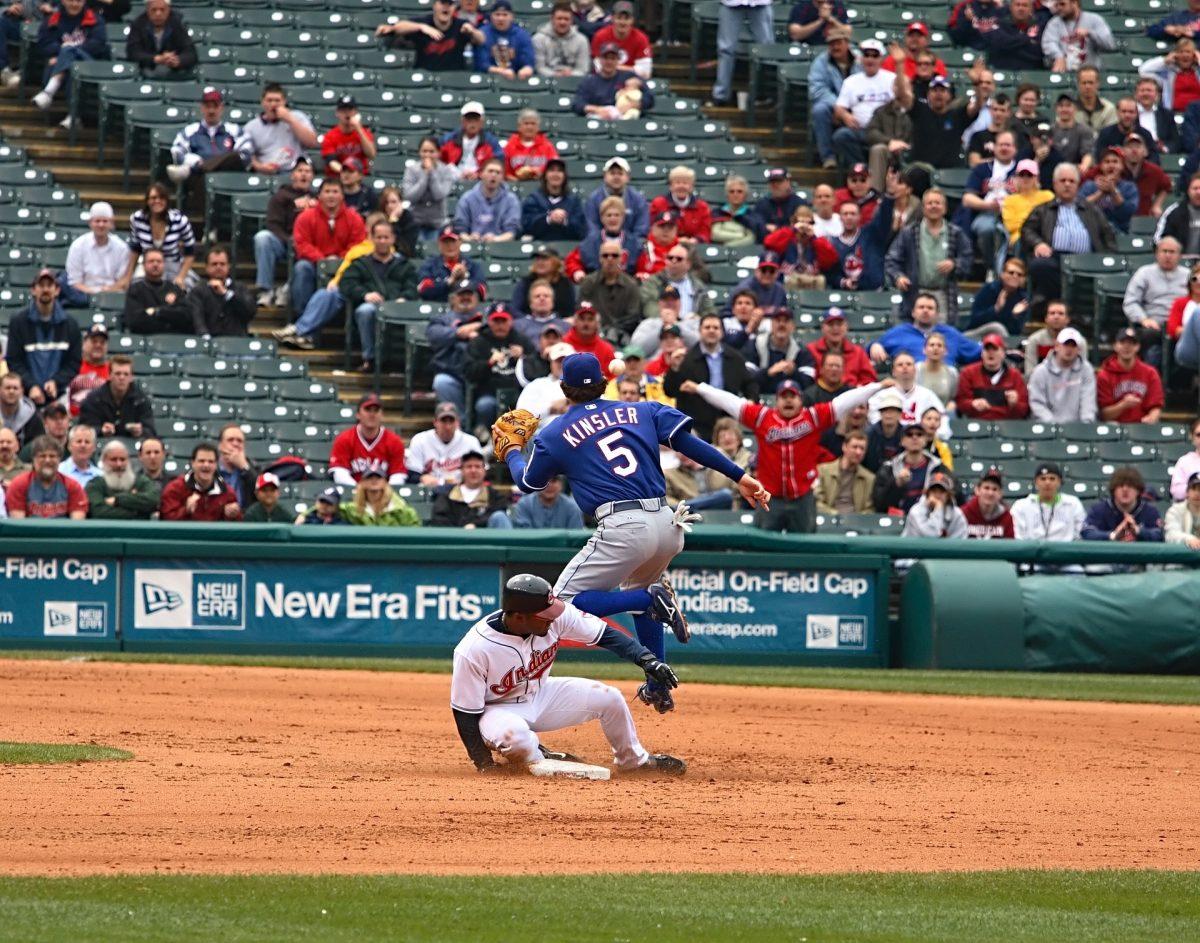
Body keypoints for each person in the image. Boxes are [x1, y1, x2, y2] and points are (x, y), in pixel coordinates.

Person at [499, 352, 771, 712]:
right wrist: (741, 477)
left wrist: (514, 451)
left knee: (560, 607)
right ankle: (657, 683)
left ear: (564, 389)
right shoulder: (643, 410)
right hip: (667, 522)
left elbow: (528, 483)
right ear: (604, 382)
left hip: (623, 526)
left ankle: (649, 598)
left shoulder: (555, 432)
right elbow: (690, 444)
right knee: (641, 594)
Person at [450, 573, 685, 774]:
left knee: (609, 697)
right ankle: (539, 759)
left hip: (539, 694)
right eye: (546, 617)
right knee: (517, 740)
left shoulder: (553, 616)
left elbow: (606, 635)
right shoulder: (474, 649)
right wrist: (484, 763)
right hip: (496, 711)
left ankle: (634, 762)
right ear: (519, 617)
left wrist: (648, 661)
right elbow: (464, 712)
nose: (553, 620)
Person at [684, 373, 890, 531]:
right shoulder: (763, 417)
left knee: (804, 547)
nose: (788, 401)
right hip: (769, 498)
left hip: (803, 497)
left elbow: (844, 402)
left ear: (800, 399)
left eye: (793, 397)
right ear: (777, 400)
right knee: (764, 547)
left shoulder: (813, 417)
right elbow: (731, 402)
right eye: (784, 397)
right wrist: (701, 389)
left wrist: (877, 386)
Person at [1021, 162, 1117, 315]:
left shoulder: (1091, 209)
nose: (1067, 184)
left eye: (1071, 181)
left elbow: (1108, 234)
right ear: (1054, 184)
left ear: (1078, 185)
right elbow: (1027, 230)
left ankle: (1050, 301)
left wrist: (1106, 257)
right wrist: (1038, 244)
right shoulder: (1043, 209)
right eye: (1063, 181)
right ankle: (1066, 308)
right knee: (1038, 266)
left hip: (1087, 260)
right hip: (1055, 258)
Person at [337, 217, 419, 372]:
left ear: (393, 239)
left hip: (397, 307)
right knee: (364, 311)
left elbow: (412, 286)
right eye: (379, 237)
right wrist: (364, 294)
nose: (382, 241)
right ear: (372, 238)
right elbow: (346, 283)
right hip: (372, 306)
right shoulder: (360, 263)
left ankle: (402, 364)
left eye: (386, 237)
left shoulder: (404, 265)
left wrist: (405, 297)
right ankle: (370, 359)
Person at [662, 314, 759, 442]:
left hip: (727, 422)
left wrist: (751, 399)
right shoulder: (686, 359)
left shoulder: (734, 357)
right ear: (700, 331)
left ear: (722, 332)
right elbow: (670, 391)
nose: (711, 330)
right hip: (695, 425)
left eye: (715, 327)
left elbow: (750, 383)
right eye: (707, 327)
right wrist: (674, 369)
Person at [885, 188, 973, 323]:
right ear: (923, 208)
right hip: (915, 293)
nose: (933, 206)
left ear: (944, 208)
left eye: (937, 203)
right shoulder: (909, 232)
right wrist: (898, 277)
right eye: (929, 203)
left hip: (944, 295)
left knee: (942, 338)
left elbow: (967, 258)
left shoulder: (956, 233)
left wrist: (955, 264)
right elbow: (892, 259)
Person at [290, 178, 367, 317]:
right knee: (301, 267)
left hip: (345, 265)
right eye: (327, 191)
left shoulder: (354, 218)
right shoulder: (305, 217)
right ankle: (302, 316)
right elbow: (302, 244)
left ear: (342, 195)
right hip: (314, 264)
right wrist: (323, 260)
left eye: (335, 191)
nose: (331, 195)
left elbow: (358, 244)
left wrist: (339, 259)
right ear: (319, 196)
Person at [5, 269, 81, 408]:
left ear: (57, 290)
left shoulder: (71, 324)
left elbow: (74, 363)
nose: (45, 289)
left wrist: (56, 382)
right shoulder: (18, 322)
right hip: (26, 397)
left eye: (49, 285)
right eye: (41, 285)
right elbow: (14, 361)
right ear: (33, 290)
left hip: (60, 396)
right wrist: (31, 385)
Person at [891, 55, 982, 170]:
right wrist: (899, 65)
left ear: (949, 95)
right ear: (928, 95)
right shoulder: (919, 110)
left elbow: (978, 105)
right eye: (934, 90)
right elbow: (902, 95)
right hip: (920, 170)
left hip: (950, 171)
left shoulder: (958, 115)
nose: (938, 93)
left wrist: (977, 84)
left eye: (943, 90)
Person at [32, 0, 111, 125]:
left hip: (89, 63)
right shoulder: (51, 19)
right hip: (64, 67)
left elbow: (98, 45)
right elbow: (43, 45)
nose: (75, 4)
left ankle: (49, 92)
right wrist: (64, 53)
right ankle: (74, 116)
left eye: (79, 1)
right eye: (71, 0)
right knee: (71, 72)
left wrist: (67, 52)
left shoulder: (96, 19)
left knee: (68, 52)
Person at [253, 158, 316, 307]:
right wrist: (288, 240)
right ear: (292, 175)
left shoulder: (318, 198)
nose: (304, 175)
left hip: (309, 246)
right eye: (300, 171)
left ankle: (287, 289)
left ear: (312, 176)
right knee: (262, 237)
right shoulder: (281, 196)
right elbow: (273, 224)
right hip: (284, 242)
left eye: (307, 171)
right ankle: (266, 290)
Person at [466, 303, 533, 431]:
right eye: (496, 321)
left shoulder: (521, 340)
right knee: (484, 406)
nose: (500, 325)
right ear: (489, 322)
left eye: (504, 320)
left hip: (519, 393)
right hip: (489, 392)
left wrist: (523, 358)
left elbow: (536, 371)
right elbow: (469, 372)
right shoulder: (479, 342)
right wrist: (489, 363)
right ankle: (489, 437)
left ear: (511, 321)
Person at [1125, 237, 1189, 367]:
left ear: (1180, 255)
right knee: (1149, 339)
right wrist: (1144, 319)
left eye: (1172, 252)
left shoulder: (1188, 275)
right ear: (1156, 254)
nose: (1167, 255)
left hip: (1181, 327)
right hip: (1154, 325)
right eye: (1164, 251)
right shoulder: (1144, 273)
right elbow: (1130, 302)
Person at [870, 293, 982, 367]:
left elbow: (979, 352)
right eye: (921, 307)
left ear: (937, 314)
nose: (925, 311)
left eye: (930, 308)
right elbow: (869, 349)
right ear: (913, 312)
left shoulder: (951, 334)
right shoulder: (899, 333)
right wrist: (874, 345)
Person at [961, 130, 1019, 272]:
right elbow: (967, 198)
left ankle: (1015, 272)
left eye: (1008, 145)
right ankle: (991, 268)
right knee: (987, 229)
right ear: (994, 147)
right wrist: (987, 205)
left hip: (1015, 216)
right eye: (1001, 145)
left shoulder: (1022, 170)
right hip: (986, 214)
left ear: (1015, 149)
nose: (1004, 148)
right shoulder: (982, 168)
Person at [832, 39, 894, 169]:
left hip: (885, 131)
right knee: (841, 136)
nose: (870, 59)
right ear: (861, 58)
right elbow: (839, 107)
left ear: (881, 59)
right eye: (867, 55)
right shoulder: (851, 81)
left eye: (875, 55)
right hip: (861, 130)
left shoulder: (891, 79)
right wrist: (845, 115)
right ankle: (862, 171)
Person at [376, 0, 485, 71]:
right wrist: (421, 27)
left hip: (454, 79)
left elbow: (481, 40)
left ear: (454, 8)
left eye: (450, 4)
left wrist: (472, 31)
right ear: (434, 6)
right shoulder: (424, 22)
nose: (446, 7)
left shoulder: (460, 24)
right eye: (442, 3)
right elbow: (397, 28)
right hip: (425, 76)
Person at [234, 83, 318, 175]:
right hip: (266, 173)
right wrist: (260, 167)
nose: (273, 104)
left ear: (284, 102)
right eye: (269, 100)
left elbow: (312, 143)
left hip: (294, 172)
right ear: (262, 102)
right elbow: (245, 154)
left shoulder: (297, 117)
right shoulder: (251, 127)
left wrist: (290, 120)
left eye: (277, 100)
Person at [125, 182, 196, 288]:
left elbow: (190, 252)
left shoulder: (180, 220)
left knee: (187, 286)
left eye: (161, 198)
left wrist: (181, 276)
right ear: (147, 200)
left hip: (173, 265)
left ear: (167, 201)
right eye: (153, 198)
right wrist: (128, 276)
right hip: (147, 265)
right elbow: (135, 250)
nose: (157, 201)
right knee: (135, 286)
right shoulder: (137, 219)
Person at [329, 393, 407, 488]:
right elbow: (339, 473)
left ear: (382, 415)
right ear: (358, 414)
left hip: (384, 497)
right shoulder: (344, 439)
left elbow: (398, 475)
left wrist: (383, 494)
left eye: (376, 410)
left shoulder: (394, 441)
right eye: (367, 410)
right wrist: (360, 492)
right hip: (353, 495)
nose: (372, 414)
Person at [167, 89, 243, 185]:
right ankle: (205, 168)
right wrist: (196, 162)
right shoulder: (189, 131)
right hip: (200, 179)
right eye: (207, 107)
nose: (211, 111)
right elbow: (177, 153)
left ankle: (206, 167)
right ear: (202, 108)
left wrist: (205, 165)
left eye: (215, 106)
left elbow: (245, 155)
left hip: (228, 179)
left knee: (234, 156)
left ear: (221, 108)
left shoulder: (234, 130)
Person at [708, 0, 773, 106]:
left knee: (766, 50)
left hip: (760, 3)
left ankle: (765, 93)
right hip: (731, 3)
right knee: (726, 50)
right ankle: (720, 95)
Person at [5, 435, 87, 519]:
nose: (47, 460)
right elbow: (18, 526)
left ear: (59, 459)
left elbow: (77, 525)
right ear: (33, 459)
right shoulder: (19, 485)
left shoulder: (72, 486)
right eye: (42, 456)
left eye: (52, 456)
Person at [871, 420, 945, 513]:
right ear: (902, 441)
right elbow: (879, 504)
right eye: (909, 434)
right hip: (897, 520)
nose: (914, 437)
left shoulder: (938, 466)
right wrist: (896, 484)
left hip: (928, 517)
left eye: (919, 434)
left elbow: (955, 496)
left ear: (925, 440)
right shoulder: (889, 467)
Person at [405, 402, 484, 487]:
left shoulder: (471, 442)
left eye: (451, 421)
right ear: (435, 422)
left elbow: (481, 472)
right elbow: (412, 474)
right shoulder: (420, 440)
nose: (448, 426)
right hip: (429, 490)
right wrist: (422, 477)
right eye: (443, 421)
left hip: (461, 490)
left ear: (457, 422)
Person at [158, 442, 242, 521]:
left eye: (211, 462)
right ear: (193, 463)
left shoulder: (227, 492)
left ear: (216, 465)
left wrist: (232, 515)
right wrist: (185, 510)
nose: (206, 465)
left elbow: (237, 525)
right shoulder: (175, 488)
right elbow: (166, 522)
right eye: (201, 461)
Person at [577, 239, 642, 340]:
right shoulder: (588, 282)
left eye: (615, 255)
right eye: (605, 255)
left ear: (622, 258)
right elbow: (581, 309)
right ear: (600, 259)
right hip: (592, 333)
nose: (610, 259)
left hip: (622, 335)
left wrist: (613, 329)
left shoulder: (631, 285)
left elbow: (632, 316)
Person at [827, 193, 894, 291]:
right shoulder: (832, 243)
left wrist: (889, 196)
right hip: (844, 295)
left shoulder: (871, 235)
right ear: (840, 217)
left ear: (859, 216)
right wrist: (843, 282)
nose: (849, 217)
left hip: (873, 294)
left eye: (853, 213)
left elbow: (884, 218)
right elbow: (830, 275)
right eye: (845, 214)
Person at [1097, 327, 1164, 424]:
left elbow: (1156, 406)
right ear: (1115, 346)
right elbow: (1104, 415)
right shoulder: (1104, 375)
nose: (1126, 347)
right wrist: (1123, 405)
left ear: (1138, 347)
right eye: (1122, 343)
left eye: (1131, 343)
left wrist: (1152, 417)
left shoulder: (1150, 373)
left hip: (1142, 426)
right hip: (1114, 428)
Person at [1027, 327, 1095, 422]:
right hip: (1047, 427)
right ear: (1057, 346)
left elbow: (1088, 401)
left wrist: (1085, 424)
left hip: (1078, 428)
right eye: (1066, 344)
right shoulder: (1040, 371)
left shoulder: (1086, 370)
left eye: (1073, 346)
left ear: (1079, 349)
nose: (1069, 349)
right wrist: (1055, 426)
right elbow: (1037, 404)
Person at [955, 333, 1030, 420]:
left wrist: (1015, 404)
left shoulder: (1015, 376)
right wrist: (972, 404)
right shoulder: (968, 373)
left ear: (1003, 353)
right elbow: (961, 403)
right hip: (977, 423)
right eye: (987, 349)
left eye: (995, 349)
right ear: (982, 353)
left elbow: (1024, 410)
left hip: (1007, 425)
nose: (990, 353)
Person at [77, 354, 153, 439]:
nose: (121, 377)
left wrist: (140, 432)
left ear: (131, 377)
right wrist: (100, 430)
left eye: (126, 374)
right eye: (117, 373)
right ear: (109, 375)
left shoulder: (141, 400)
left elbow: (151, 431)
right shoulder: (93, 399)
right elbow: (84, 430)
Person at [430, 450, 512, 529]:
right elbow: (439, 519)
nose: (473, 470)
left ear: (484, 471)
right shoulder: (447, 495)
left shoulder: (495, 496)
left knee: (500, 516)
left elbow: (499, 513)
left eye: (477, 466)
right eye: (469, 467)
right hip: (454, 540)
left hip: (487, 540)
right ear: (462, 471)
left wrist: (475, 525)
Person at [1081, 466, 1164, 543]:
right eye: (1120, 486)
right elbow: (1087, 533)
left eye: (1130, 486)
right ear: (1113, 490)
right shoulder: (1098, 510)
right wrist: (1113, 535)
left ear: (1138, 490)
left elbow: (1159, 535)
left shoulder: (1150, 511)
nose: (1125, 489)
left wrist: (1138, 531)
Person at [572, 41, 653, 119]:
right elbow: (577, 104)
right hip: (599, 121)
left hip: (625, 122)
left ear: (618, 60)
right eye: (606, 58)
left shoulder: (629, 76)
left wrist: (633, 105)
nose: (609, 62)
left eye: (613, 58)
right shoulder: (589, 81)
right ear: (599, 59)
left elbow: (650, 98)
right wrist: (597, 110)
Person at [65, 203, 131, 298]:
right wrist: (95, 294)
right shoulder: (77, 246)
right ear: (90, 223)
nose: (101, 225)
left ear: (111, 223)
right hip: (84, 295)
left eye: (105, 221)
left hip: (113, 295)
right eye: (97, 221)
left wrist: (107, 292)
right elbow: (74, 282)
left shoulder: (122, 248)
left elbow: (123, 281)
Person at [187, 245, 255, 337]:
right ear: (206, 267)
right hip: (208, 341)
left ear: (228, 266)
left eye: (222, 264)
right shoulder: (197, 291)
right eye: (214, 264)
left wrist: (226, 294)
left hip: (236, 342)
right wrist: (205, 337)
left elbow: (249, 312)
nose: (218, 267)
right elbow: (197, 318)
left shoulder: (240, 288)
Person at [745, 307, 814, 397]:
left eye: (786, 321)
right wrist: (768, 372)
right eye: (778, 320)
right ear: (771, 324)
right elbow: (746, 379)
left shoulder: (801, 350)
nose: (781, 324)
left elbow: (809, 384)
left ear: (793, 326)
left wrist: (793, 372)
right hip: (758, 399)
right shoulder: (754, 345)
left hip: (790, 400)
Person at [121, 247, 193, 333]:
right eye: (151, 261)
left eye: (159, 261)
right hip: (145, 337)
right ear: (143, 265)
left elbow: (186, 316)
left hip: (172, 337)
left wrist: (156, 311)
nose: (155, 264)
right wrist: (169, 314)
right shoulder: (135, 289)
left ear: (164, 264)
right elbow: (134, 321)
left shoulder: (174, 289)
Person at [84, 439, 160, 520]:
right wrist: (139, 513)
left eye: (122, 459)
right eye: (114, 459)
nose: (119, 464)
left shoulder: (141, 481)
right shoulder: (95, 484)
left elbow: (153, 500)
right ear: (104, 461)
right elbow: (98, 512)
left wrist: (118, 500)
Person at [1011, 461, 1085, 540]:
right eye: (1043, 479)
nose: (1047, 482)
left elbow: (1080, 532)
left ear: (1059, 482)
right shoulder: (1021, 506)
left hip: (1064, 550)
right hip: (1032, 550)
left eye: (1052, 479)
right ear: (1036, 482)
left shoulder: (1073, 504)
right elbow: (1017, 535)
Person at [453, 157, 521, 242]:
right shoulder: (467, 198)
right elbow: (460, 229)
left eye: (498, 172)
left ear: (502, 177)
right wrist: (470, 238)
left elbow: (512, 231)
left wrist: (496, 239)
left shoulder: (511, 200)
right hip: (473, 244)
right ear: (481, 174)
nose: (494, 175)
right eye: (490, 171)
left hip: (501, 244)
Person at [519, 159, 587, 243]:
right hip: (540, 248)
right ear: (545, 175)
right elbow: (526, 226)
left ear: (564, 176)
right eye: (551, 170)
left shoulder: (574, 200)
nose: (555, 174)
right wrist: (549, 218)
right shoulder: (534, 199)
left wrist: (565, 220)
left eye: (559, 171)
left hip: (568, 247)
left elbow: (581, 229)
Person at [403, 137, 458, 241]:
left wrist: (432, 173)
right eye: (424, 151)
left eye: (431, 151)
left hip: (438, 223)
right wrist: (424, 176)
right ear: (419, 152)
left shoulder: (446, 171)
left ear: (438, 152)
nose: (427, 155)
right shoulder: (411, 170)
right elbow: (409, 196)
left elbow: (439, 194)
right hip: (416, 222)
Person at [125, 0, 195, 78]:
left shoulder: (177, 24)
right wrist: (156, 59)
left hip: (174, 72)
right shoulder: (138, 24)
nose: (158, 13)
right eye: (154, 10)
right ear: (147, 10)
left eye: (162, 10)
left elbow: (191, 53)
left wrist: (178, 61)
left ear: (168, 10)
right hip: (146, 70)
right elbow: (133, 53)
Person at [1041, 0, 1115, 72]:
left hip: (1090, 71)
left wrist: (1089, 33)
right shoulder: (1054, 23)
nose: (1059, 8)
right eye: (1057, 5)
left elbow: (1109, 44)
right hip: (1065, 71)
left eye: (1062, 4)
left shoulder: (1094, 19)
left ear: (1074, 2)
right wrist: (1058, 56)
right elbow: (1048, 43)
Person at [966, 258, 1031, 338]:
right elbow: (975, 321)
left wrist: (1014, 315)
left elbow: (1015, 332)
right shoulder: (989, 289)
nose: (1015, 276)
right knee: (997, 328)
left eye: (1019, 274)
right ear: (1002, 275)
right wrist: (996, 308)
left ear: (1023, 279)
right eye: (1011, 273)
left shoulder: (1023, 299)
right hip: (976, 333)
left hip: (1003, 338)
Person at [813, 429, 874, 515]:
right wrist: (836, 515)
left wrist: (856, 519)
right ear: (844, 447)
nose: (858, 452)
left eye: (862, 448)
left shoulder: (869, 478)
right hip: (829, 519)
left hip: (856, 523)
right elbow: (816, 502)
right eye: (854, 447)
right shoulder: (823, 471)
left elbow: (870, 509)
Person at [1079, 146, 1138, 234]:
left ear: (1122, 166)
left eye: (1115, 161)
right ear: (1101, 166)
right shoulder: (1089, 185)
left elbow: (1128, 212)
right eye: (1107, 162)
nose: (1111, 165)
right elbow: (1079, 207)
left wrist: (1112, 190)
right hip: (1092, 230)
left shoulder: (1129, 187)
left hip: (1121, 231)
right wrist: (1100, 193)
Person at [417, 228, 486, 302]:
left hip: (466, 310)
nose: (449, 245)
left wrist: (465, 279)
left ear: (460, 242)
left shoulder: (472, 265)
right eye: (445, 242)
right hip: (438, 309)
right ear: (439, 244)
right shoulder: (430, 265)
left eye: (453, 241)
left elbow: (482, 291)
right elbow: (423, 289)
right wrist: (448, 282)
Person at [648, 167, 712, 246]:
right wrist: (676, 240)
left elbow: (705, 232)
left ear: (691, 187)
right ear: (671, 186)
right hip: (664, 246)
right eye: (677, 183)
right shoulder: (658, 204)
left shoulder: (702, 207)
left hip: (693, 248)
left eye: (685, 183)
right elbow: (652, 229)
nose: (681, 186)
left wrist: (695, 240)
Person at [475, 0, 536, 80]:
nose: (501, 18)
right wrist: (501, 71)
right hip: (488, 78)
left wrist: (527, 69)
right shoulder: (482, 33)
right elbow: (481, 63)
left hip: (516, 79)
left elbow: (528, 61)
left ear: (511, 17)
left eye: (505, 15)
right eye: (497, 14)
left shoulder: (522, 35)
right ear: (491, 16)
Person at [321, 95, 377, 178]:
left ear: (356, 112)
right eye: (343, 110)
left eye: (350, 109)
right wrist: (348, 173)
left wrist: (359, 129)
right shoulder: (330, 136)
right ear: (337, 113)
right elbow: (331, 162)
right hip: (338, 178)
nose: (347, 113)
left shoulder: (364, 132)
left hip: (360, 178)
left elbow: (371, 154)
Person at [340, 469, 421, 526]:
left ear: (385, 482)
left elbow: (415, 530)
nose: (374, 480)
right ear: (363, 482)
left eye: (378, 477)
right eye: (369, 477)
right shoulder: (351, 509)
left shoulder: (401, 510)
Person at [1139, 37, 1200, 113]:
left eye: (1188, 52)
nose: (1185, 55)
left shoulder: (1198, 72)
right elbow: (1143, 71)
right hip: (1173, 113)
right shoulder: (1168, 73)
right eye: (1181, 52)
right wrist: (1164, 61)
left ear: (1194, 55)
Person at [590, 0, 650, 77]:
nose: (622, 22)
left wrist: (613, 68)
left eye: (627, 18)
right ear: (612, 18)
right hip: (605, 80)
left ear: (632, 20)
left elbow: (645, 73)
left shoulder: (641, 38)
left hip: (631, 81)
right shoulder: (600, 36)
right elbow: (598, 68)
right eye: (619, 18)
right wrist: (631, 69)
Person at [901, 470, 967, 538]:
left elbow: (960, 543)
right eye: (934, 491)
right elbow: (930, 536)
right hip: (913, 548)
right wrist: (938, 509)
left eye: (941, 492)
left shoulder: (956, 514)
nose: (937, 495)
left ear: (948, 495)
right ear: (927, 493)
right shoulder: (916, 511)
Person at [516, 340, 572, 419]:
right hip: (542, 429)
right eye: (558, 360)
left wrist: (572, 410)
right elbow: (520, 416)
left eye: (566, 360)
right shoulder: (537, 384)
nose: (562, 364)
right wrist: (550, 408)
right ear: (551, 362)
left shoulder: (581, 386)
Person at [534, 2, 590, 78]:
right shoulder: (539, 39)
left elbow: (583, 69)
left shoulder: (582, 40)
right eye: (559, 18)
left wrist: (571, 74)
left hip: (573, 81)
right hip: (546, 80)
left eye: (566, 19)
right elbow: (539, 68)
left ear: (572, 21)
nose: (562, 22)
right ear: (552, 19)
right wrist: (555, 75)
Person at [511, 474, 583, 528]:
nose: (549, 485)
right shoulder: (524, 504)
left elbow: (575, 540)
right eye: (544, 480)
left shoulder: (572, 508)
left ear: (561, 484)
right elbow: (523, 538)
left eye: (554, 480)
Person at [961, 466, 1014, 539]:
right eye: (986, 488)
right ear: (977, 490)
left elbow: (1010, 546)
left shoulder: (1006, 517)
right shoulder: (964, 513)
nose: (990, 493)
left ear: (1000, 494)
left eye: (995, 489)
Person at [0, 374, 44, 451]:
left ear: (21, 391)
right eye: (7, 388)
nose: (11, 391)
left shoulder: (32, 417)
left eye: (15, 388)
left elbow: (39, 446)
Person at [1165, 471, 1200, 549]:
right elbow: (1171, 535)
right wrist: (1189, 539)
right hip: (1180, 559)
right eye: (1193, 489)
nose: (1197, 493)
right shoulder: (1175, 510)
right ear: (1187, 492)